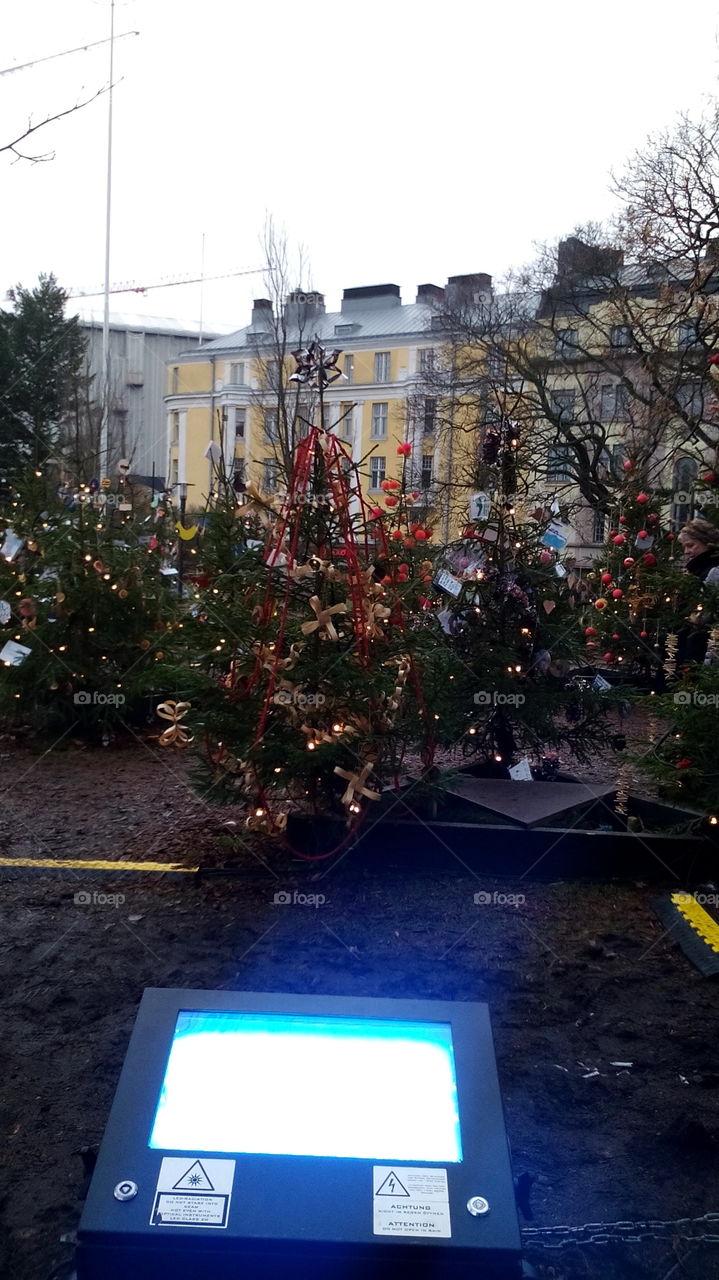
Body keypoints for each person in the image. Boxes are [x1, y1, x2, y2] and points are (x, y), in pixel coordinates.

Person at [678, 518, 719, 583]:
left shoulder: (715, 572)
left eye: (690, 545)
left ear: (706, 542)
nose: (686, 552)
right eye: (684, 547)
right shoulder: (695, 570)